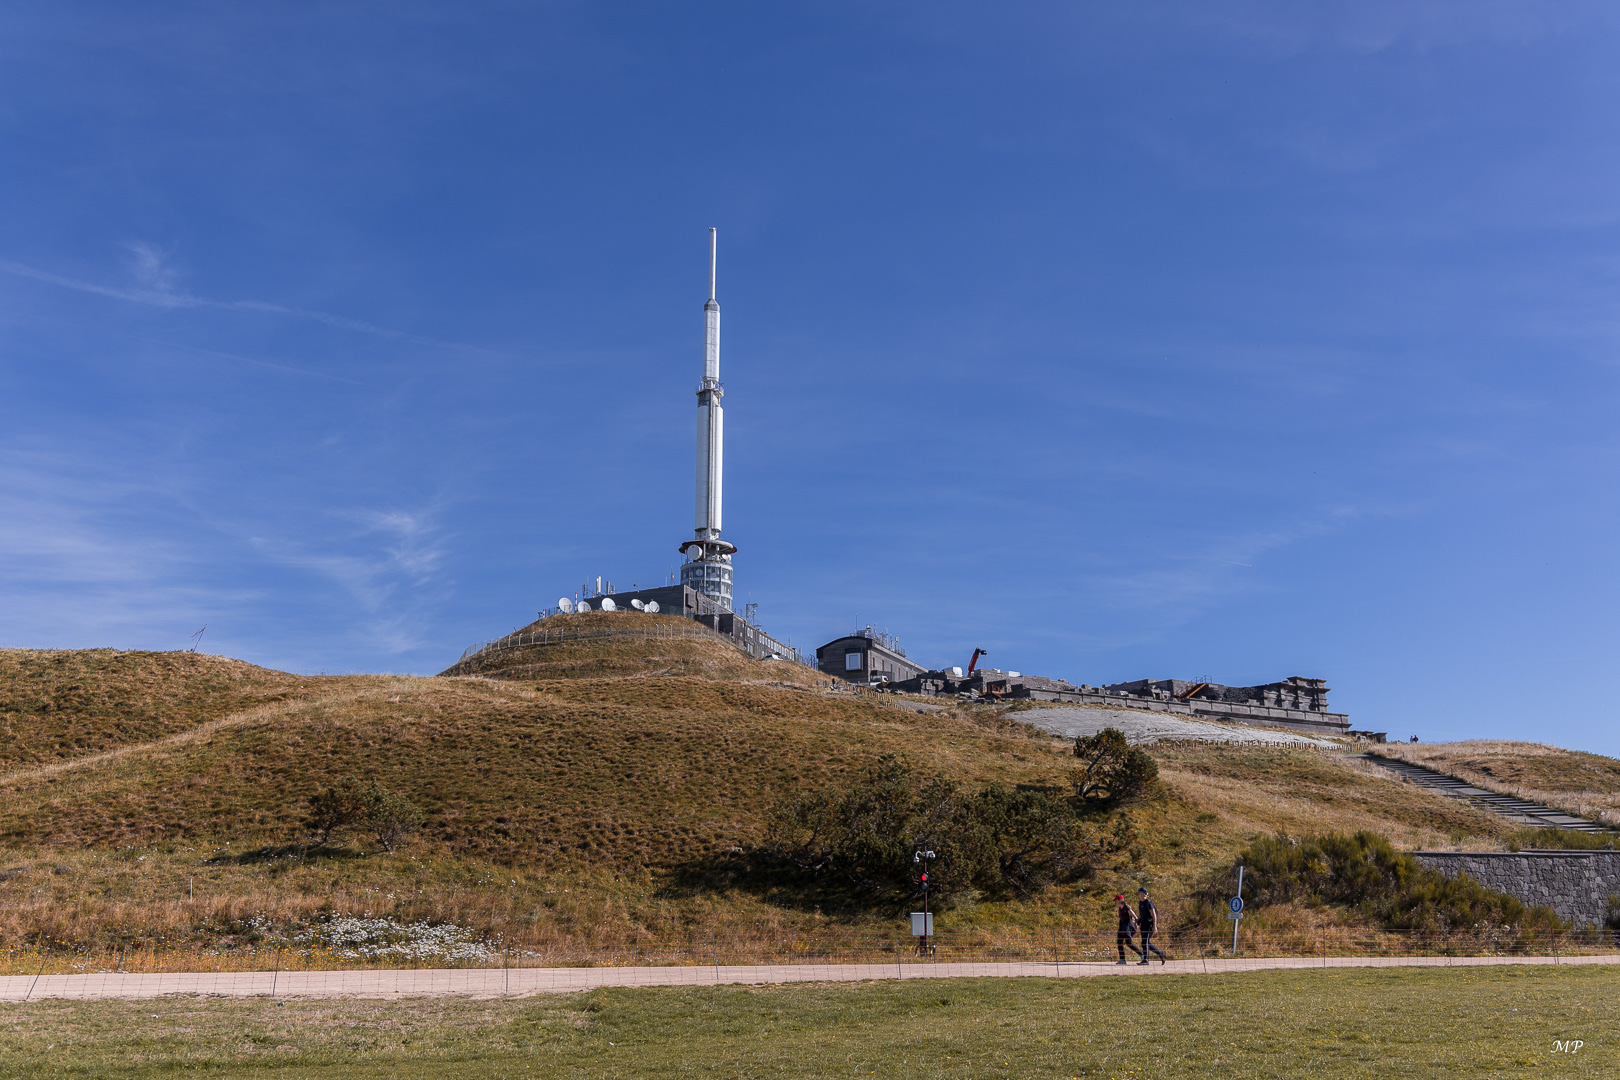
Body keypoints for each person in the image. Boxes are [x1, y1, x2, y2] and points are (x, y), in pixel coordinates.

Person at [1136, 887, 1168, 964]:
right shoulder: (1140, 902)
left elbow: (1153, 914)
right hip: (1143, 924)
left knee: (1145, 942)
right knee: (1145, 942)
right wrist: (1137, 923)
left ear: (1143, 894)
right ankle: (1161, 954)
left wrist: (1155, 926)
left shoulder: (1148, 902)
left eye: (1139, 892)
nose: (1138, 893)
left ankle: (1146, 960)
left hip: (1149, 924)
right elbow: (1141, 914)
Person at [1114, 894, 1142, 965]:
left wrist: (1136, 924)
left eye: (1116, 900)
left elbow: (1134, 916)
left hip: (1127, 927)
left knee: (1129, 943)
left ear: (1120, 900)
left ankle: (1142, 955)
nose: (1116, 902)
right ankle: (1122, 959)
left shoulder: (1126, 907)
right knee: (1119, 942)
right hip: (1121, 926)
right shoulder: (1120, 908)